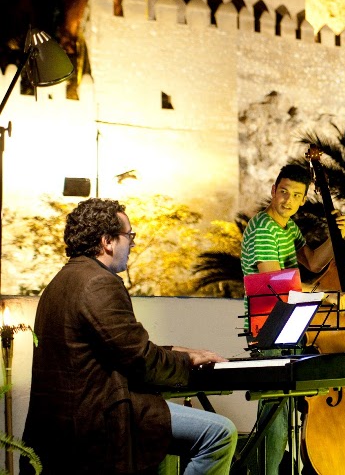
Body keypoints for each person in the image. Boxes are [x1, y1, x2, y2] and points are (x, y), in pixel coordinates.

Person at [20, 198, 238, 475]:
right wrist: (185, 362)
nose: (133, 244)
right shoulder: (99, 283)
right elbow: (139, 359)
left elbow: (119, 345)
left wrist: (183, 352)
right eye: (129, 235)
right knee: (219, 433)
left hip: (69, 419)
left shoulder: (63, 280)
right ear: (108, 241)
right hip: (98, 416)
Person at [240, 163, 345, 475]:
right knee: (275, 425)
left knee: (287, 420)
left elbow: (311, 262)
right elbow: (274, 282)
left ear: (304, 199)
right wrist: (329, 297)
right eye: (283, 192)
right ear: (273, 190)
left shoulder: (288, 227)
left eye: (296, 195)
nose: (288, 200)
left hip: (288, 326)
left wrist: (335, 237)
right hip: (268, 328)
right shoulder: (266, 229)